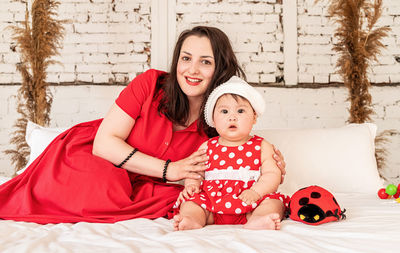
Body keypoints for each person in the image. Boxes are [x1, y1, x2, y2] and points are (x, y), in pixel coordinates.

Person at [0, 26, 286, 224]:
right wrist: (169, 169)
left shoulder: (220, 121)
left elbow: (237, 153)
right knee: (99, 182)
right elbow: (104, 143)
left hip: (151, 188)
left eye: (205, 62)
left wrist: (266, 162)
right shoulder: (150, 84)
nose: (192, 70)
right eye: (186, 59)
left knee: (184, 200)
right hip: (101, 157)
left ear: (220, 69)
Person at [173, 76, 290, 231]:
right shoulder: (208, 146)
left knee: (274, 202)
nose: (232, 116)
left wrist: (256, 192)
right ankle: (192, 219)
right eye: (224, 111)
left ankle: (259, 219)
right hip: (212, 205)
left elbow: (272, 174)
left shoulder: (262, 146)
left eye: (241, 111)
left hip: (250, 204)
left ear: (254, 117)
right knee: (191, 203)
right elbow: (195, 172)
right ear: (213, 119)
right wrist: (192, 185)